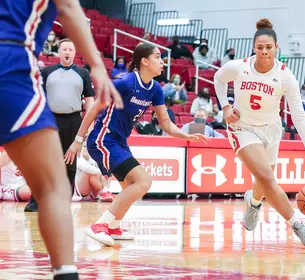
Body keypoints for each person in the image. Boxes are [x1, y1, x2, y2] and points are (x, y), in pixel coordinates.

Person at [0, 0, 122, 279]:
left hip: (63, 115)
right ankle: (66, 274)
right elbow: (67, 6)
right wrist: (97, 64)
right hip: (9, 58)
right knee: (53, 188)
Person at [64, 43, 208, 247]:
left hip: (119, 141)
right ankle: (100, 226)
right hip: (103, 139)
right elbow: (95, 108)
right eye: (158, 57)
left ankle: (114, 226)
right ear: (144, 61)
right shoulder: (125, 83)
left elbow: (166, 124)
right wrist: (78, 141)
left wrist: (187, 136)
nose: (162, 61)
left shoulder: (156, 89)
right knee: (143, 182)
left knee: (130, 187)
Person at [213, 18, 305, 249]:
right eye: (260, 47)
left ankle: (253, 203)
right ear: (254, 48)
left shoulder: (285, 75)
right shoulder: (239, 67)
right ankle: (298, 225)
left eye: (269, 47)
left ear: (276, 47)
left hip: (271, 130)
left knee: (263, 183)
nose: (264, 52)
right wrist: (225, 107)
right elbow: (218, 78)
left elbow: (298, 113)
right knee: (268, 179)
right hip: (242, 128)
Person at [25, 38, 96, 213]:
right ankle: (36, 201)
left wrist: (91, 124)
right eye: (64, 49)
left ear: (74, 53)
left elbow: (89, 101)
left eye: (70, 50)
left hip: (73, 121)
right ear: (58, 52)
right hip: (49, 121)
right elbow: (37, 97)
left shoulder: (83, 74)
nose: (67, 52)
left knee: (69, 162)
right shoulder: (47, 72)